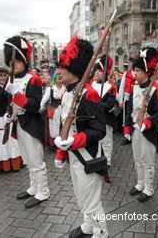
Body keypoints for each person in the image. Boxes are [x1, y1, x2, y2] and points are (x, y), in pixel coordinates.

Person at [53, 36, 109, 238]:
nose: (57, 71)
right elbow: (64, 126)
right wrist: (61, 152)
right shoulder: (66, 94)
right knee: (81, 196)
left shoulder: (90, 94)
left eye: (61, 67)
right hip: (74, 157)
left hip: (88, 156)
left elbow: (99, 130)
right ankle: (88, 225)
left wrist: (73, 142)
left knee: (92, 200)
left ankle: (101, 232)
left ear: (74, 69)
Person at [3, 36, 49, 208]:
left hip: (32, 123)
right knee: (27, 160)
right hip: (19, 123)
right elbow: (11, 103)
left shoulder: (33, 79)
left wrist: (17, 96)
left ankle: (43, 191)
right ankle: (33, 187)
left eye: (16, 61)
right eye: (10, 61)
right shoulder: (11, 79)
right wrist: (10, 115)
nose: (13, 64)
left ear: (23, 60)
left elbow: (35, 106)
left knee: (36, 160)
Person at [124, 47, 158, 202]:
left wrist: (146, 124)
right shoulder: (133, 87)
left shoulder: (157, 90)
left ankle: (149, 188)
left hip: (148, 131)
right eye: (134, 70)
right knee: (137, 159)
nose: (135, 73)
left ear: (147, 71)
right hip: (135, 131)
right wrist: (127, 128)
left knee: (148, 161)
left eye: (138, 70)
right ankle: (140, 184)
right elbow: (129, 110)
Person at [91, 54, 118, 166]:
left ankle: (107, 161)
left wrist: (96, 105)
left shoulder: (110, 86)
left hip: (106, 118)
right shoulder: (92, 84)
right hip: (94, 118)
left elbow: (110, 103)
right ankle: (98, 158)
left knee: (106, 141)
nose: (96, 73)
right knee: (96, 140)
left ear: (105, 72)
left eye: (99, 70)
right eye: (95, 70)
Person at [39, 75, 65, 148]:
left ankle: (63, 142)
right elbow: (44, 100)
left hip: (64, 110)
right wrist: (39, 109)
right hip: (54, 111)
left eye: (61, 77)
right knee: (54, 128)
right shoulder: (50, 89)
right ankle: (55, 145)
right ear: (55, 79)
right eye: (58, 78)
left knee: (63, 126)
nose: (60, 79)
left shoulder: (65, 88)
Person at [117, 56, 137, 145]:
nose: (131, 63)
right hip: (127, 99)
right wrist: (120, 101)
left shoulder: (139, 73)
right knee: (127, 118)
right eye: (131, 62)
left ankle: (135, 136)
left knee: (135, 117)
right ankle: (127, 137)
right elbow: (121, 88)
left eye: (133, 61)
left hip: (136, 99)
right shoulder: (126, 74)